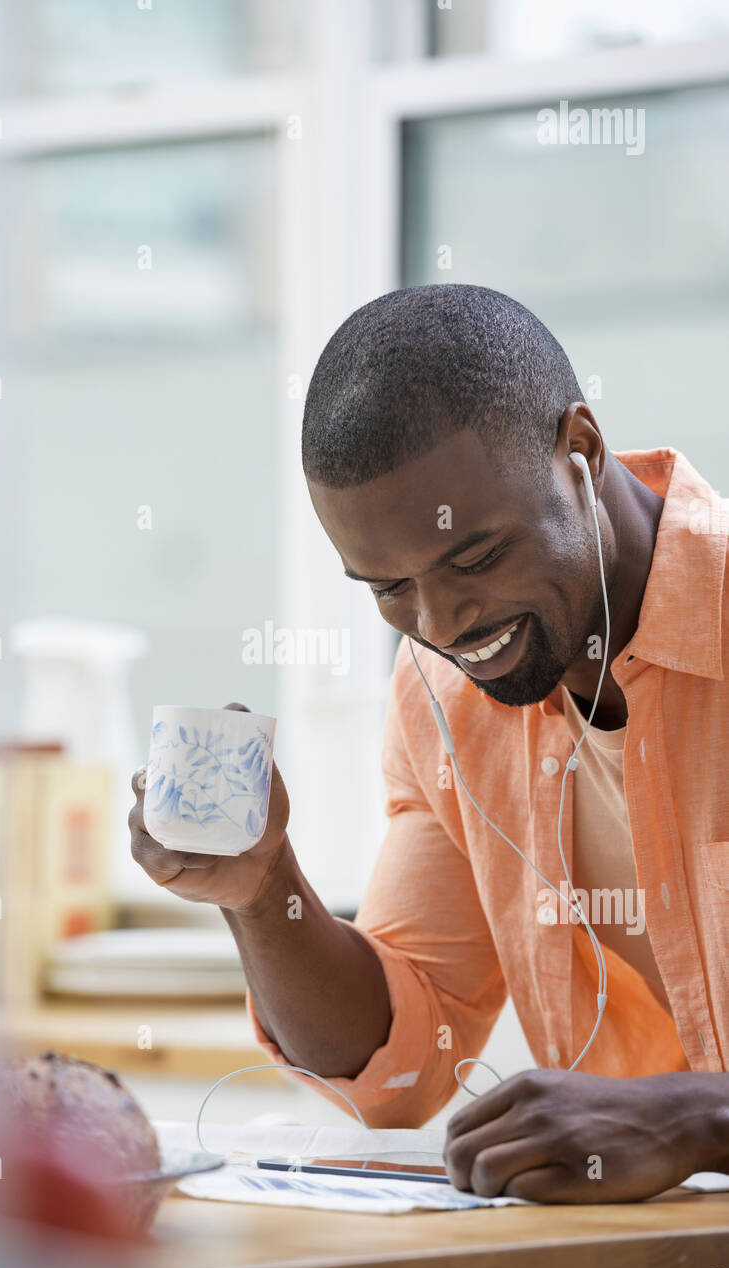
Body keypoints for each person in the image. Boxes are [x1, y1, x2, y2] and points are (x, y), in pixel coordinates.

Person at [129, 283, 729, 1203]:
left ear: (580, 450)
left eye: (476, 558)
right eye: (386, 587)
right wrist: (261, 890)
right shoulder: (444, 694)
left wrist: (697, 1118)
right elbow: (405, 1062)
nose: (441, 623)